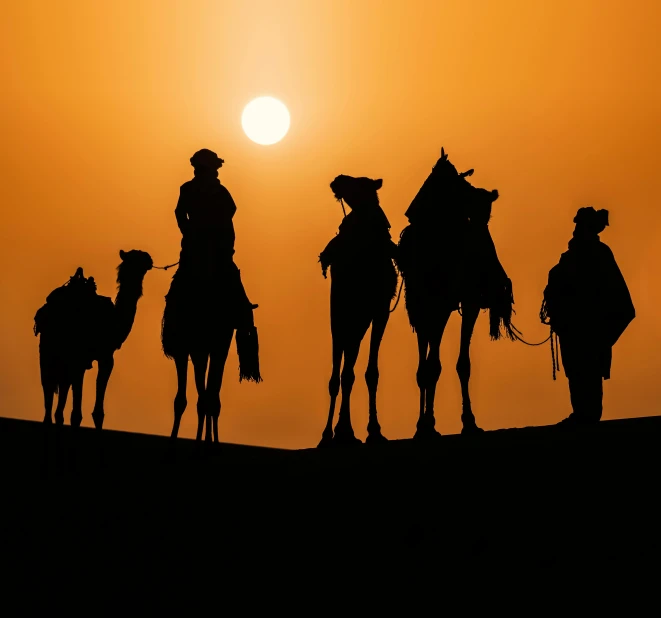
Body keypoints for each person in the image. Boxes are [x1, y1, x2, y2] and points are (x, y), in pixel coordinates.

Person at [542, 207, 635, 425]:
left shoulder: (598, 254)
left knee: (587, 379)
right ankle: (581, 418)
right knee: (576, 376)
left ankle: (586, 420)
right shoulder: (570, 258)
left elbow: (623, 305)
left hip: (589, 332)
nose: (575, 229)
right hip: (573, 330)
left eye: (579, 225)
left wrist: (603, 338)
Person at [172, 149, 255, 326]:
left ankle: (243, 313)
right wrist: (190, 231)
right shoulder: (189, 189)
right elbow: (180, 213)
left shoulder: (219, 191)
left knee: (229, 272)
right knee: (181, 282)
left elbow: (231, 210)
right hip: (195, 246)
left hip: (218, 246)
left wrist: (214, 228)